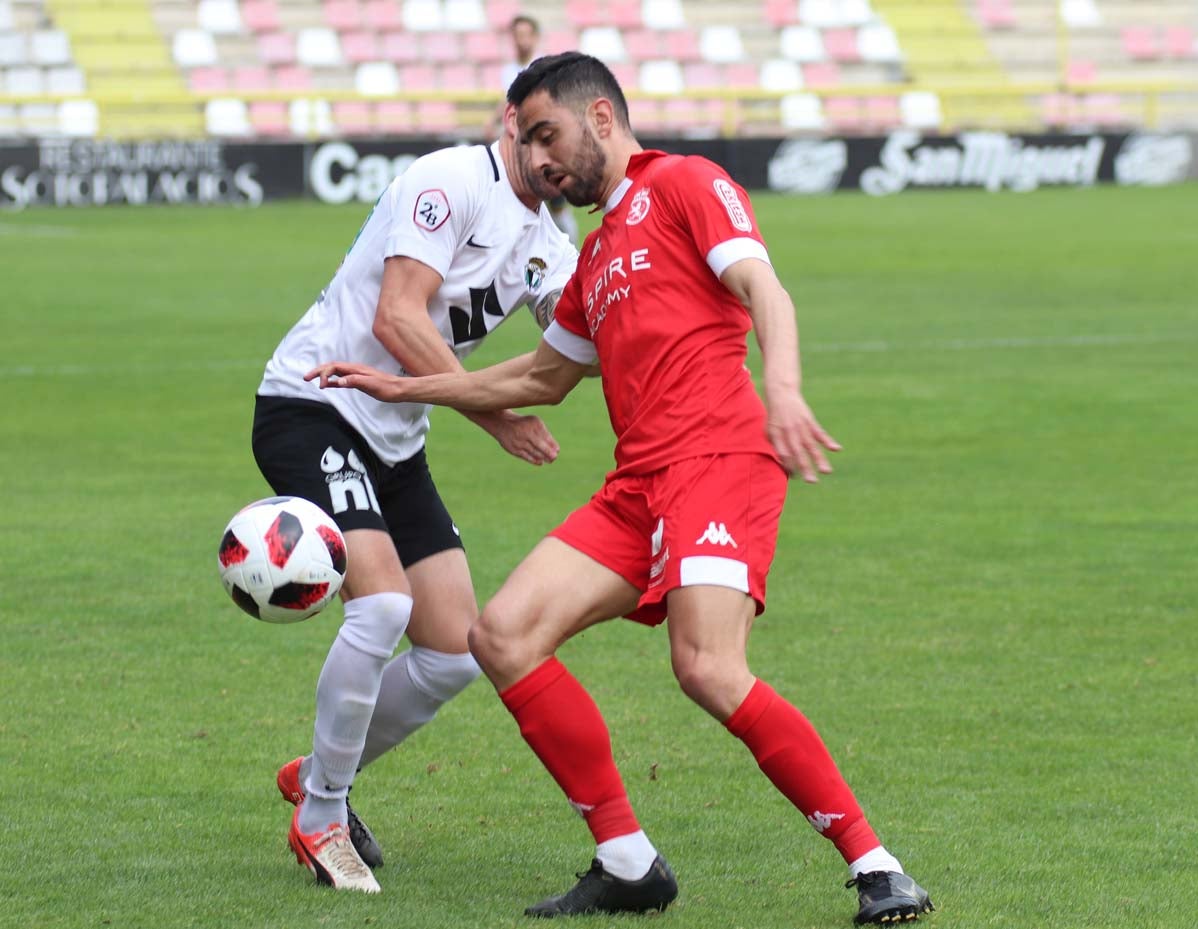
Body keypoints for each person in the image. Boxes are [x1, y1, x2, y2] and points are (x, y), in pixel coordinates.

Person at [305, 52, 934, 925]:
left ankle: (877, 865)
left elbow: (765, 287)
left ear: (601, 116)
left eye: (547, 134)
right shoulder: (591, 257)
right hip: (638, 485)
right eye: (525, 142)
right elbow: (536, 379)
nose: (537, 158)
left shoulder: (684, 182)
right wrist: (403, 387)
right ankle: (627, 861)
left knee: (706, 667)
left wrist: (782, 387)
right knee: (503, 634)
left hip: (717, 460)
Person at [252, 102, 576, 894]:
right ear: (512, 123)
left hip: (397, 438)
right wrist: (495, 415)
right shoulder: (451, 180)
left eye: (566, 141)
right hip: (314, 403)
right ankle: (323, 812)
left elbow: (578, 343)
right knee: (383, 606)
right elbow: (396, 315)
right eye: (541, 134)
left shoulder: (550, 247)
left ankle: (321, 770)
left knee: (453, 650)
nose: (553, 155)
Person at [494, 13, 580, 247]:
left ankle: (571, 254)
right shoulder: (508, 70)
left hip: (544, 144)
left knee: (557, 202)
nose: (521, 40)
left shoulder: (545, 67)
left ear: (534, 37)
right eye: (516, 35)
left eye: (525, 34)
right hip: (520, 146)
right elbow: (508, 104)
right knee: (520, 202)